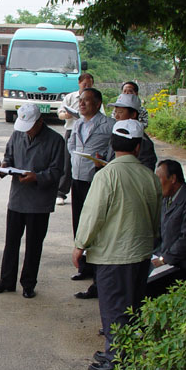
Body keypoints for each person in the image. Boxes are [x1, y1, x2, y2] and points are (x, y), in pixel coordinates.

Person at [72, 119, 162, 370]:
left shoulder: (107, 175)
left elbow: (93, 215)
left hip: (113, 254)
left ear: (112, 144)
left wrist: (80, 245)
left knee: (112, 307)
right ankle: (122, 350)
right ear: (138, 147)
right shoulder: (150, 177)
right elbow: (157, 218)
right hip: (141, 252)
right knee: (131, 305)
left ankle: (116, 358)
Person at [0, 103, 65, 298]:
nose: (26, 130)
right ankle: (6, 281)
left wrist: (37, 177)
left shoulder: (55, 140)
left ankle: (28, 284)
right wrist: (4, 166)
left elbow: (57, 171)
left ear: (40, 122)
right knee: (11, 242)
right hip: (17, 198)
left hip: (39, 202)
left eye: (30, 126)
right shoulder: (17, 135)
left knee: (33, 245)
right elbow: (8, 156)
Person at [66, 87, 115, 294]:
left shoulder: (108, 124)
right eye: (80, 100)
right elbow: (71, 145)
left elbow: (112, 150)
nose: (82, 104)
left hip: (95, 178)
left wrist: (102, 159)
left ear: (97, 103)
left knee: (94, 222)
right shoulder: (78, 123)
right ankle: (83, 266)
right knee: (79, 221)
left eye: (86, 100)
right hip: (77, 177)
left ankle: (96, 270)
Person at [149, 159, 186, 296]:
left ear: (173, 179)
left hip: (184, 263)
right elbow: (159, 230)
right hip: (165, 256)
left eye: (159, 179)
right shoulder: (166, 198)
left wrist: (164, 259)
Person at [57, 72, 95, 205]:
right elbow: (60, 113)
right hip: (71, 131)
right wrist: (66, 115)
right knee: (67, 162)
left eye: (89, 85)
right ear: (79, 83)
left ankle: (86, 193)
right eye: (84, 84)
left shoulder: (95, 98)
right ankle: (61, 192)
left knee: (85, 162)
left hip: (88, 133)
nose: (86, 87)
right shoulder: (70, 97)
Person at [109, 93, 157, 170]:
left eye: (120, 112)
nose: (116, 116)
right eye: (115, 112)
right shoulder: (116, 133)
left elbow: (146, 170)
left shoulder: (143, 142)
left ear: (133, 115)